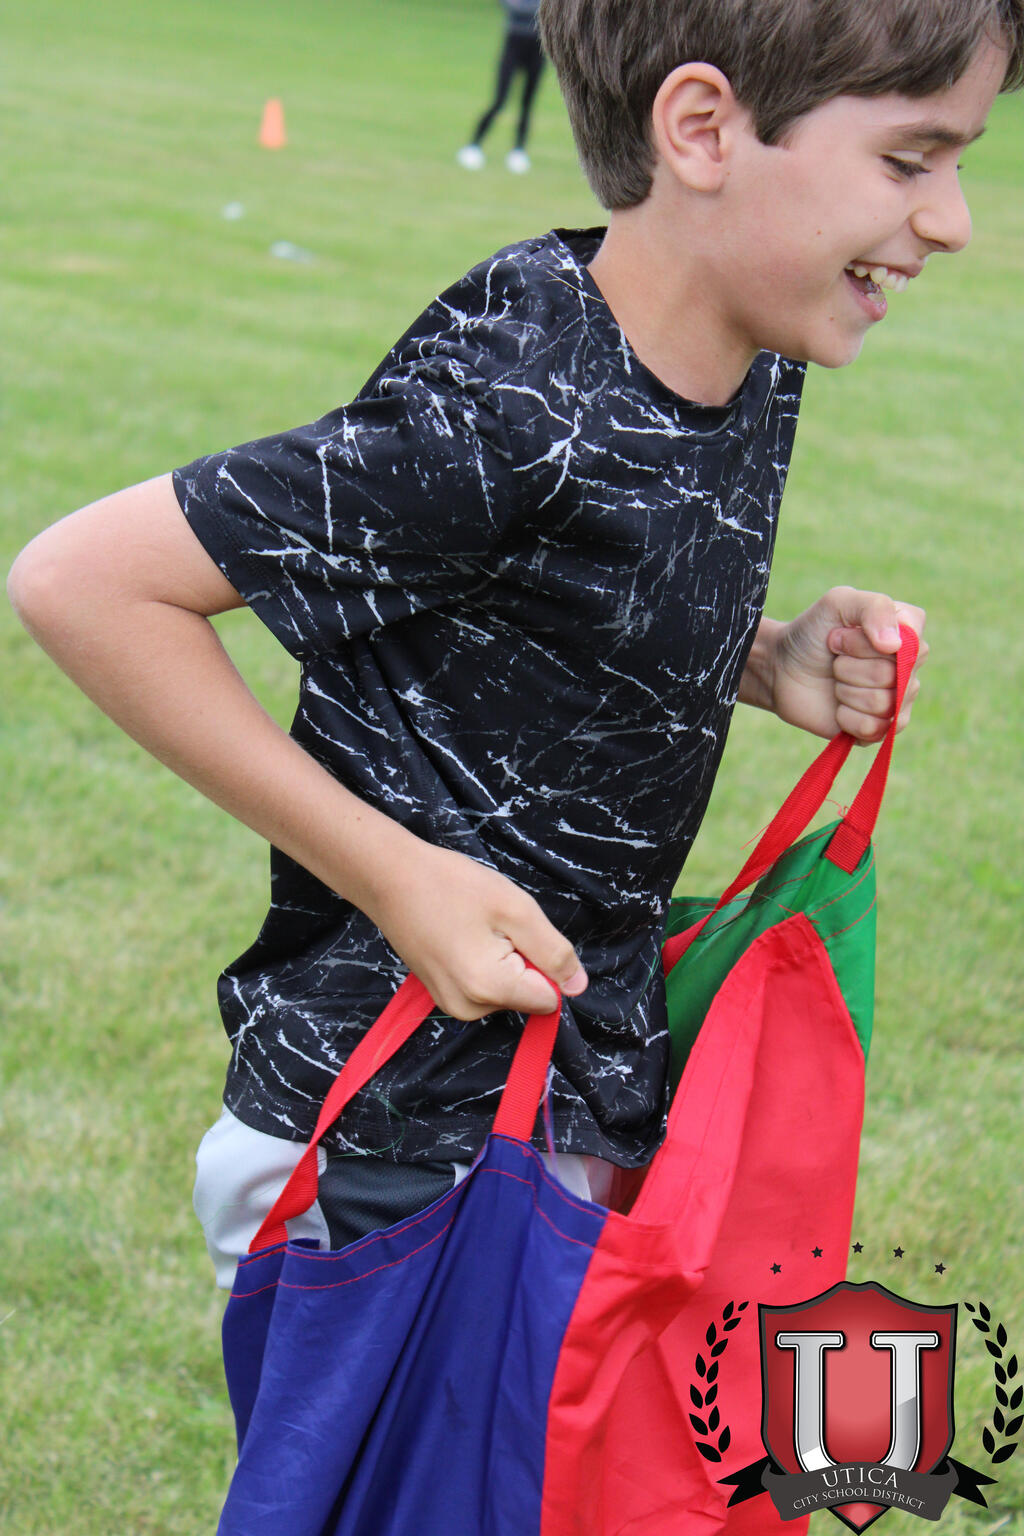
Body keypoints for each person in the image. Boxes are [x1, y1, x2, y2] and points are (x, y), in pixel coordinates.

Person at [9, 0, 1020, 1301]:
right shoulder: (511, 405)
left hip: (568, 1095)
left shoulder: (752, 358)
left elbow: (558, 594)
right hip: (396, 1135)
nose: (953, 219)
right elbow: (84, 584)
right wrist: (397, 878)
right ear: (703, 130)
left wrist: (767, 661)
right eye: (909, 160)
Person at [457, 0, 545, 173]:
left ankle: (519, 150)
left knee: (527, 104)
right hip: (513, 46)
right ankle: (474, 145)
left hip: (537, 49)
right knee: (499, 100)